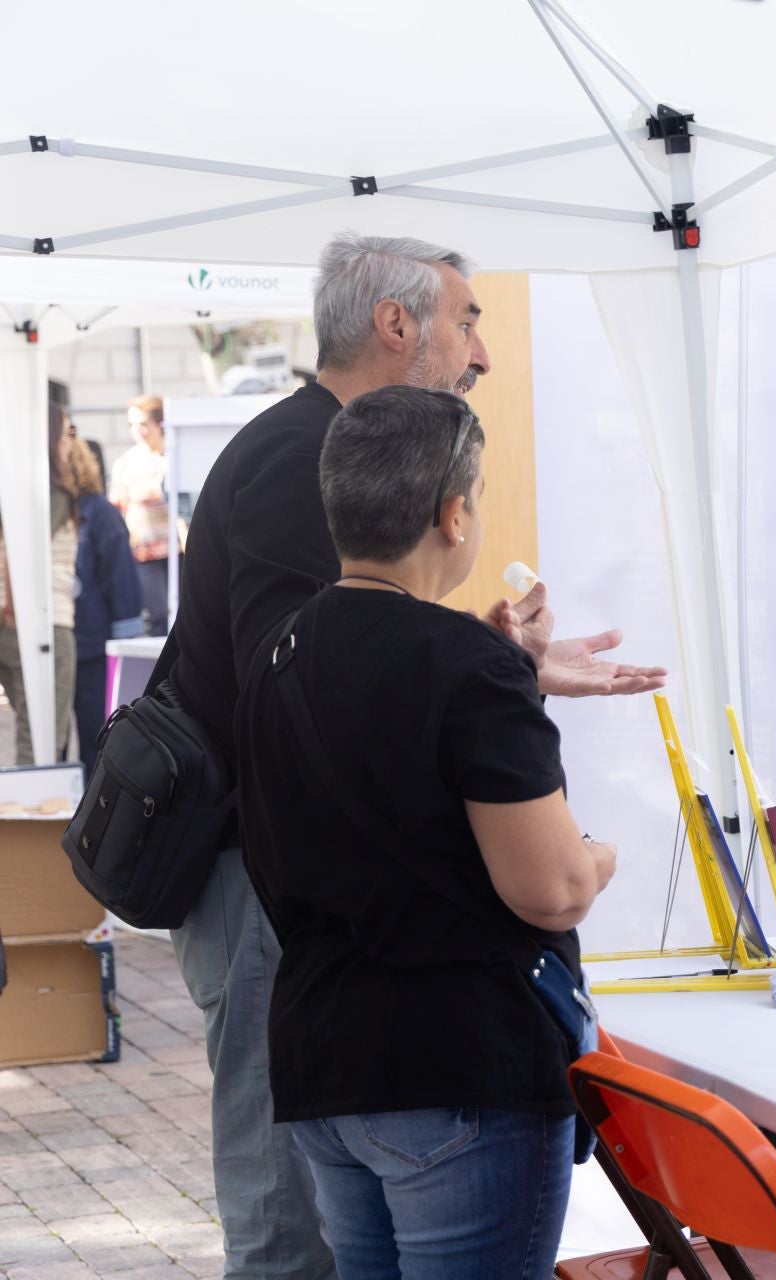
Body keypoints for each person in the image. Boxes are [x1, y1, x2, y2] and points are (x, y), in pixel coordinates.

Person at [162, 232, 665, 1278]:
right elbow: (302, 683)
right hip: (288, 922)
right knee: (285, 1234)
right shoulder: (290, 459)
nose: (481, 352)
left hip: (336, 989)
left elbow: (331, 668)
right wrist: (476, 674)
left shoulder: (323, 468)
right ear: (396, 324)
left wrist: (483, 664)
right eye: (468, 319)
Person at [235, 386, 612, 1278]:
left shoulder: (276, 656)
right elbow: (552, 888)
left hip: (327, 1061)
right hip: (455, 1066)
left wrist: (502, 673)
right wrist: (602, 855)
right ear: (453, 514)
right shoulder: (466, 664)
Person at [0, 404, 81, 765]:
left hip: (21, 618)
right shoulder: (51, 493)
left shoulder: (17, 487)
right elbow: (22, 551)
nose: (70, 444)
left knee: (33, 737)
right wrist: (14, 608)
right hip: (43, 621)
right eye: (66, 434)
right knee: (43, 742)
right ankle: (36, 821)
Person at [71, 435, 145, 775]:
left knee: (96, 741)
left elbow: (122, 582)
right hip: (54, 646)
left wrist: (125, 651)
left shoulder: (99, 513)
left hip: (91, 649)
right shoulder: (34, 513)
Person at [110, 394, 172, 636]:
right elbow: (117, 505)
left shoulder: (174, 455)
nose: (138, 431)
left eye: (143, 424)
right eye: (132, 425)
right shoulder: (126, 462)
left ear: (160, 424)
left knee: (184, 610)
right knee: (156, 614)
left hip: (179, 548)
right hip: (143, 550)